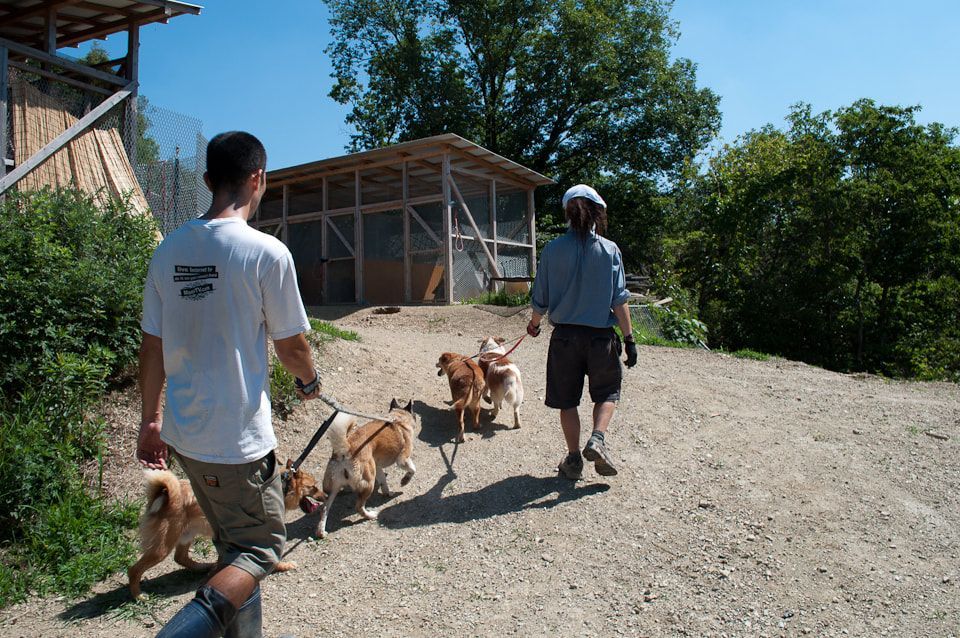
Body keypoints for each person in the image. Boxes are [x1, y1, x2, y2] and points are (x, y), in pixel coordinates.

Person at [136, 131, 319, 638]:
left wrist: (151, 422)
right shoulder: (267, 253)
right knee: (261, 549)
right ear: (258, 179)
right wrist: (309, 381)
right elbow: (292, 347)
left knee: (232, 546)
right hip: (236, 443)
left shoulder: (167, 250)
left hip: (186, 438)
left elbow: (151, 348)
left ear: (208, 180)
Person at [526, 184, 638, 480]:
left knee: (567, 401)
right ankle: (598, 439)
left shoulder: (552, 249)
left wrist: (534, 325)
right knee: (607, 393)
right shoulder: (610, 250)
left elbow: (541, 297)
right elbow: (619, 300)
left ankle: (574, 459)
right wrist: (629, 339)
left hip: (564, 339)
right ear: (596, 213)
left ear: (568, 214)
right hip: (601, 338)